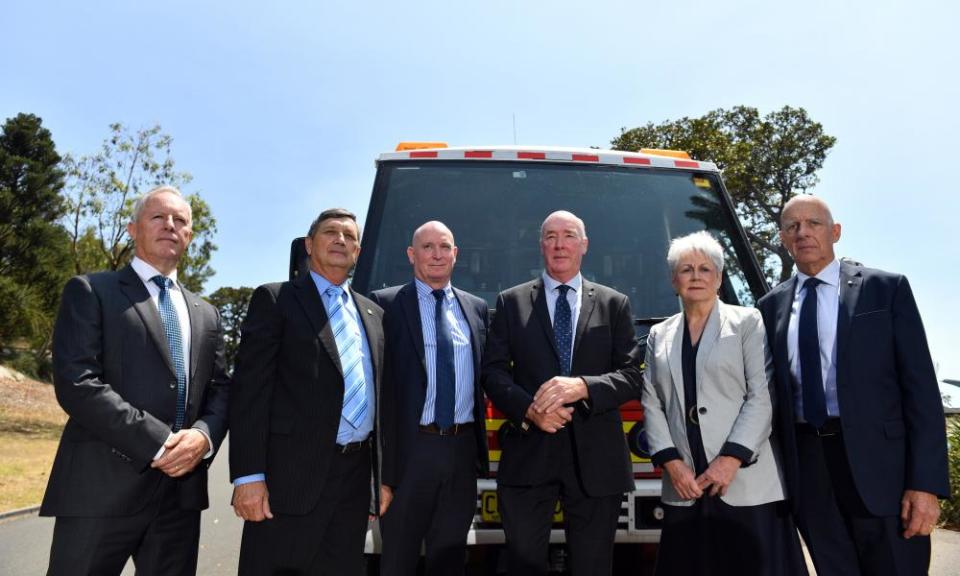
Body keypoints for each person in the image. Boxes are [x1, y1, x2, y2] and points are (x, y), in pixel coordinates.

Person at [41, 185, 230, 576]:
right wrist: (159, 443)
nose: (170, 226)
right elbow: (79, 383)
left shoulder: (206, 314)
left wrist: (203, 436)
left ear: (189, 236)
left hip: (180, 497)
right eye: (158, 217)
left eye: (180, 221)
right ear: (132, 229)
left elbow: (221, 389)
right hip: (100, 491)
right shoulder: (91, 291)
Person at [756, 195, 949, 575]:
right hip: (810, 472)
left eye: (813, 223)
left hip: (885, 473)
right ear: (782, 238)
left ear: (836, 232)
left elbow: (921, 392)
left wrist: (926, 485)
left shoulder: (885, 289)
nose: (803, 232)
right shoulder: (769, 307)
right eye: (793, 226)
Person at [481, 210, 641, 576]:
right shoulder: (511, 302)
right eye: (550, 236)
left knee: (593, 566)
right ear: (541, 246)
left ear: (584, 245)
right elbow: (491, 371)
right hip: (529, 454)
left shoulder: (614, 304)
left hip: (597, 460)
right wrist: (529, 410)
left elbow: (632, 375)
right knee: (522, 561)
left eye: (568, 235)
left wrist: (584, 386)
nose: (559, 244)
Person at [640, 231, 807, 576]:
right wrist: (672, 464)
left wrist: (730, 459)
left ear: (718, 278)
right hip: (685, 482)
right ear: (674, 280)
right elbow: (652, 401)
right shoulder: (659, 333)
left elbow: (762, 395)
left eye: (705, 269)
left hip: (744, 480)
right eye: (686, 269)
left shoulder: (748, 321)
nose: (696, 276)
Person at [229, 208, 384, 576]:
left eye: (350, 236)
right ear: (310, 245)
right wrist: (248, 476)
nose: (341, 240)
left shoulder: (374, 314)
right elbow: (250, 391)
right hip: (288, 482)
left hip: (354, 481)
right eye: (331, 232)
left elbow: (384, 401)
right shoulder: (276, 299)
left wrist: (380, 482)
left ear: (358, 253)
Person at [370, 221, 489, 576]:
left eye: (444, 246)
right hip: (410, 453)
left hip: (461, 452)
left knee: (450, 558)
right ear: (411, 254)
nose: (436, 254)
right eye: (427, 247)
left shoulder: (476, 308)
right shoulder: (385, 304)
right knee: (398, 559)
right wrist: (382, 470)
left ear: (456, 254)